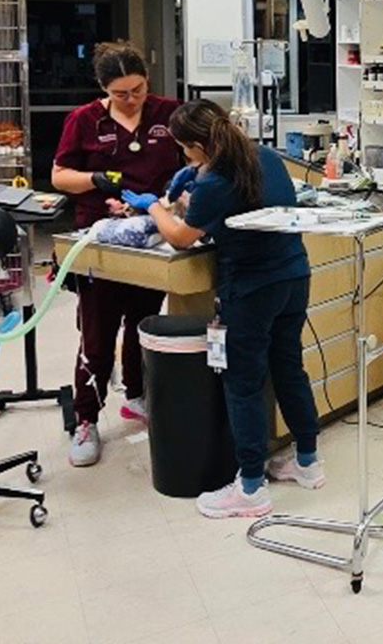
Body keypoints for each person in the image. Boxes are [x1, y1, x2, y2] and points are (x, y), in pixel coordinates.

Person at [126, 100, 320, 519]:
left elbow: (180, 237)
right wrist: (192, 181)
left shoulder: (216, 179)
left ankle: (250, 486)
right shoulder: (263, 156)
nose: (184, 157)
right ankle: (307, 462)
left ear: (197, 144)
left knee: (243, 382)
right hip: (293, 277)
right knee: (289, 368)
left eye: (185, 150)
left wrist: (155, 207)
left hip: (251, 289)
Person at [50, 42, 184, 467]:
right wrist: (93, 180)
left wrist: (158, 203)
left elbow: (190, 167)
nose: (131, 99)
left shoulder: (169, 113)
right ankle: (86, 418)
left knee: (143, 320)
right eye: (121, 93)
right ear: (104, 88)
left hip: (150, 234)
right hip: (100, 238)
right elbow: (59, 176)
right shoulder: (84, 121)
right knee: (98, 329)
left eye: (139, 89)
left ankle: (138, 395)